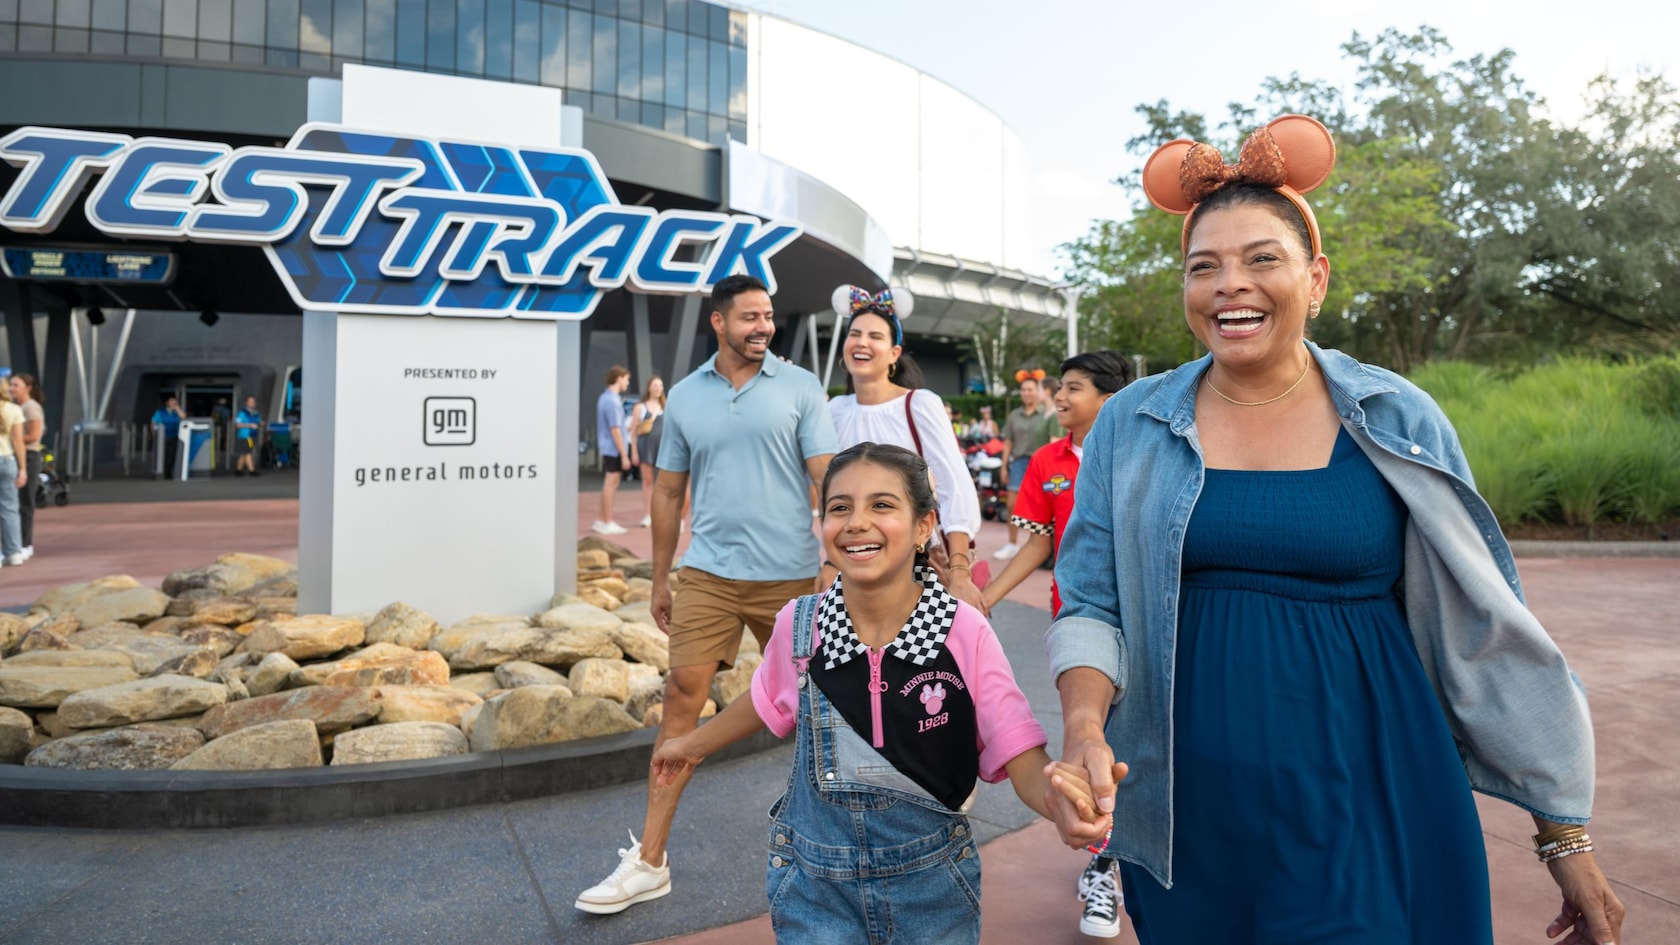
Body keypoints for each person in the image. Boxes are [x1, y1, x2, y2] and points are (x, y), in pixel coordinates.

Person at [1043, 115, 1623, 945]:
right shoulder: (1132, 423)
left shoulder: (1398, 416)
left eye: (1261, 260)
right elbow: (1091, 601)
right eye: (1202, 267)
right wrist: (1085, 727)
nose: (1228, 285)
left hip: (1376, 780)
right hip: (1191, 805)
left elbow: (1482, 627)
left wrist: (1560, 827)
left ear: (1315, 279)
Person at [648, 442, 1117, 945]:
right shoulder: (801, 625)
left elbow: (1018, 750)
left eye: (882, 505)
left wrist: (1060, 802)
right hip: (813, 887)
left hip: (932, 888)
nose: (856, 522)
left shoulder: (962, 631)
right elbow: (768, 699)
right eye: (839, 507)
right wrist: (691, 745)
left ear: (923, 527)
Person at [575, 274, 840, 916]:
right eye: (749, 316)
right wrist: (662, 574)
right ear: (718, 323)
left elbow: (829, 478)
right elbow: (667, 492)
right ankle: (650, 861)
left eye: (769, 315)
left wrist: (832, 559)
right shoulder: (687, 397)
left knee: (826, 707)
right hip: (710, 574)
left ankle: (846, 851)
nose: (763, 326)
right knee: (679, 698)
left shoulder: (801, 388)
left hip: (792, 577)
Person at [979, 350, 1131, 937]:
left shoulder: (1153, 450)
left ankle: (1142, 860)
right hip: (1082, 629)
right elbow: (1037, 545)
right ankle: (1103, 871)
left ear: (1109, 397)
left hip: (1156, 624)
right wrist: (987, 601)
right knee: (1093, 746)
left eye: (1073, 388)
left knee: (1143, 750)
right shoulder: (1047, 460)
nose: (1059, 399)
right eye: (1059, 388)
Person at [826, 285, 988, 613]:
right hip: (855, 563)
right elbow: (824, 494)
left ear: (894, 354)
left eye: (875, 336)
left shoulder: (919, 404)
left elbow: (955, 488)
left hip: (917, 566)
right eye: (855, 334)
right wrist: (829, 564)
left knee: (922, 660)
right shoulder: (834, 411)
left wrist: (959, 571)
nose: (862, 342)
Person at [992, 369, 1059, 561]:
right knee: (1012, 504)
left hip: (1039, 463)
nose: (1027, 393)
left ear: (1037, 391)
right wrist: (1004, 466)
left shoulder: (1047, 414)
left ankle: (1041, 547)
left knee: (1041, 507)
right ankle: (1012, 543)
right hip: (1019, 463)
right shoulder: (1014, 415)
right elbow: (1008, 442)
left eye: (1031, 389)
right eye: (1024, 390)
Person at [592, 365, 632, 535]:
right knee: (611, 484)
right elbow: (615, 429)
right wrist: (624, 454)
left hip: (609, 447)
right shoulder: (612, 401)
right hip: (614, 449)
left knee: (609, 484)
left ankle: (601, 520)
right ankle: (607, 521)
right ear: (619, 378)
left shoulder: (605, 398)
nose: (628, 383)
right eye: (627, 379)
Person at [8, 373, 44, 557]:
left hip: (29, 456)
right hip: (16, 455)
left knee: (25, 501)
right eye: (11, 385)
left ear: (27, 388)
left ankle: (25, 543)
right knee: (12, 502)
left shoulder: (31, 408)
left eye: (16, 385)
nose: (12, 388)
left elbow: (34, 436)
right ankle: (15, 542)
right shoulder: (15, 407)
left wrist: (11, 436)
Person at [628, 376, 666, 527]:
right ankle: (647, 514)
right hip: (646, 447)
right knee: (648, 481)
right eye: (655, 385)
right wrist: (634, 452)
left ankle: (662, 513)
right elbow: (633, 431)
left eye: (660, 386)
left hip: (663, 447)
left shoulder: (666, 406)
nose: (658, 388)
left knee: (664, 483)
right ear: (649, 387)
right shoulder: (640, 407)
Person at [0, 380, 27, 566]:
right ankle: (14, 552)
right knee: (9, 508)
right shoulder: (14, 410)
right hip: (8, 460)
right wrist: (23, 469)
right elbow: (18, 441)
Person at [151, 394, 183, 482]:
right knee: (163, 455)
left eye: (175, 401)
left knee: (171, 455)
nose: (174, 403)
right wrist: (154, 434)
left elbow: (183, 417)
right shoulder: (160, 412)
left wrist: (177, 408)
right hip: (162, 437)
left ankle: (169, 471)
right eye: (172, 401)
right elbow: (154, 422)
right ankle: (161, 471)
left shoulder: (176, 412)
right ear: (167, 402)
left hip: (173, 436)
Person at [234, 395, 262, 477]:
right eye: (250, 402)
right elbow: (237, 425)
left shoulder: (256, 413)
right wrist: (249, 425)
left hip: (252, 435)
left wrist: (260, 424)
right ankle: (251, 470)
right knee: (248, 452)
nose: (252, 403)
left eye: (253, 402)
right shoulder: (242, 413)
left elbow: (258, 422)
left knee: (244, 453)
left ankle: (238, 470)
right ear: (246, 403)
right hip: (245, 436)